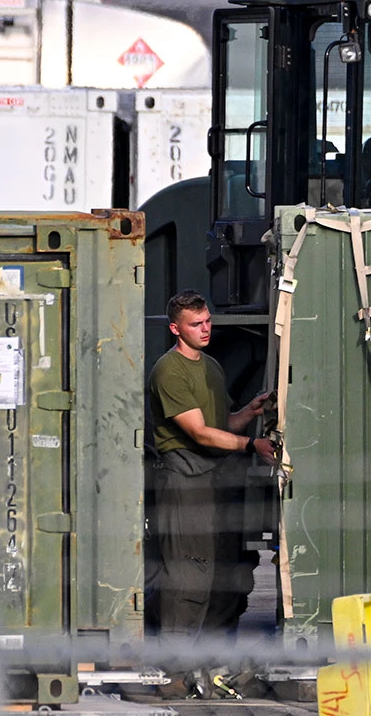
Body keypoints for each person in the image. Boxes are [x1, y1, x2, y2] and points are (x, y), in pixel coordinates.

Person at [145, 289, 276, 696]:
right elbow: (198, 432)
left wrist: (249, 414)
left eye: (207, 322)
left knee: (225, 574)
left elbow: (222, 424)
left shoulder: (213, 367)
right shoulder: (169, 371)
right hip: (184, 481)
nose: (205, 329)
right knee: (188, 577)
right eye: (195, 324)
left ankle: (212, 665)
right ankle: (175, 672)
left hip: (217, 482)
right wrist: (252, 446)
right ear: (175, 328)